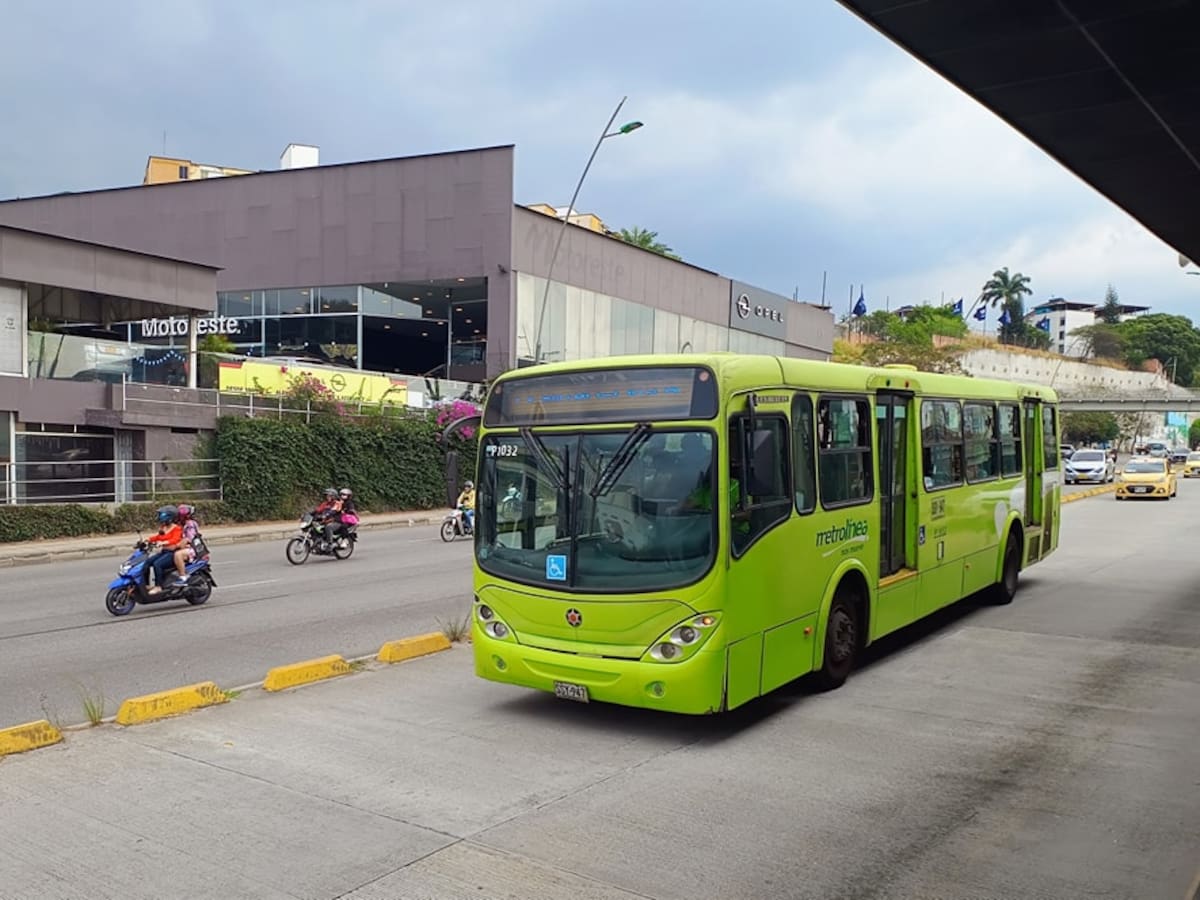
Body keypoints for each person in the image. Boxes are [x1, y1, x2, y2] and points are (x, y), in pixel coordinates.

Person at [145, 505, 184, 594]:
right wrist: (148, 539)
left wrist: (163, 543)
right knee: (146, 563)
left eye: (162, 515)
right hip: (164, 552)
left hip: (171, 553)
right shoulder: (163, 527)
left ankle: (159, 586)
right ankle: (147, 585)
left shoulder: (176, 528)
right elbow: (158, 537)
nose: (160, 518)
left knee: (157, 564)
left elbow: (175, 540)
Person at [169, 504, 203, 585]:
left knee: (178, 555)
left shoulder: (190, 524)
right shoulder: (180, 524)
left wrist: (183, 543)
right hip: (185, 547)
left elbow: (190, 538)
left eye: (181, 516)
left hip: (194, 548)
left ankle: (183, 577)